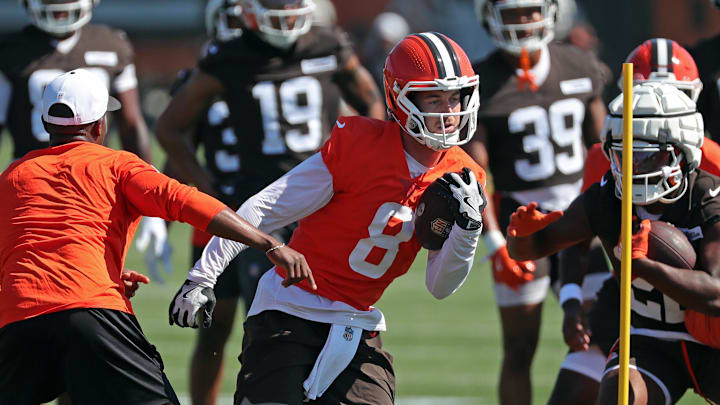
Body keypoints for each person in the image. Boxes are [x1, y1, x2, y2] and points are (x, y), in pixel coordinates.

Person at [168, 32, 486, 405]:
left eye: (455, 97)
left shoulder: (464, 176)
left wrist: (468, 231)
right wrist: (203, 275)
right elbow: (266, 207)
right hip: (289, 310)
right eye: (433, 97)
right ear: (402, 97)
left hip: (358, 324)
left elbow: (440, 286)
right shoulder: (359, 146)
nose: (449, 111)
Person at [0, 68, 311, 405]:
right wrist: (268, 242)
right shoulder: (118, 165)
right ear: (99, 125)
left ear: (46, 124)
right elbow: (188, 202)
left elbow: (32, 249)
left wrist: (111, 277)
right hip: (92, 312)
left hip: (18, 321)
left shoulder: (12, 176)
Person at [156, 1, 386, 404]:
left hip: (324, 203)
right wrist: (208, 190)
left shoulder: (328, 44)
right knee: (263, 322)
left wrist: (365, 168)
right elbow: (171, 128)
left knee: (331, 313)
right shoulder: (230, 57)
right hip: (263, 207)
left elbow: (372, 105)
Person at [507, 82, 720, 405]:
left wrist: (646, 266)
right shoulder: (606, 199)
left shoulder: (707, 197)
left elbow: (716, 295)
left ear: (682, 150)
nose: (635, 169)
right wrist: (520, 236)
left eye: (649, 157)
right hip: (649, 340)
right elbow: (535, 249)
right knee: (619, 397)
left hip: (714, 339)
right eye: (625, 155)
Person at [466, 1, 608, 403]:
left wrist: (608, 219)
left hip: (583, 221)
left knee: (599, 332)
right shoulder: (482, 81)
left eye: (531, 9)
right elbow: (475, 174)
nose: (524, 20)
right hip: (522, 228)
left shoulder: (579, 64)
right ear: (489, 15)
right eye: (512, 11)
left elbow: (601, 154)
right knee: (519, 349)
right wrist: (495, 243)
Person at [0, 0, 168, 282]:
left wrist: (151, 202)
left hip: (92, 179)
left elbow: (131, 124)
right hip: (32, 179)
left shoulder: (112, 43)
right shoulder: (10, 50)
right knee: (30, 270)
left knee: (90, 266)